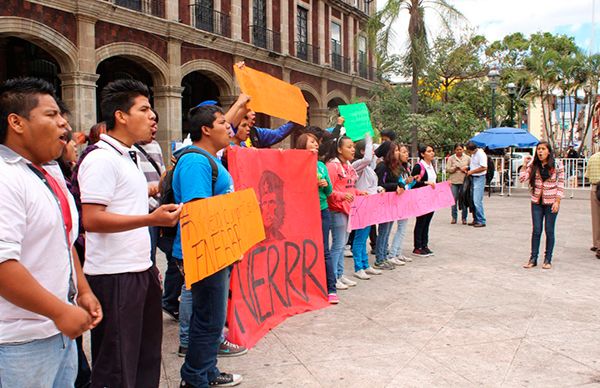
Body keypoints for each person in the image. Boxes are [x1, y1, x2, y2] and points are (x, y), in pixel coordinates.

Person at [78, 79, 182, 387]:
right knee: (117, 366)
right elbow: (92, 219)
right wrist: (151, 220)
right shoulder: (100, 158)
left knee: (145, 358)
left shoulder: (129, 156)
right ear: (121, 116)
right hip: (114, 276)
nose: (153, 116)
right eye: (144, 109)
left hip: (139, 270)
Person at [0, 77, 102, 386]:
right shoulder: (6, 178)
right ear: (16, 122)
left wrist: (82, 290)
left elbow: (64, 239)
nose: (64, 126)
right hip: (19, 345)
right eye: (51, 115)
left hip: (58, 335)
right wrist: (59, 311)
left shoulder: (45, 173)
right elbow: (3, 265)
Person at [174, 105, 243, 387]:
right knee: (208, 320)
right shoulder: (196, 162)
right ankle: (193, 378)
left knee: (213, 318)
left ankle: (208, 371)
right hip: (205, 251)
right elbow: (199, 211)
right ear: (205, 129)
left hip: (218, 249)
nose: (229, 129)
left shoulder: (210, 159)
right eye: (223, 123)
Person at [294, 132, 338, 303]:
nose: (316, 144)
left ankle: (331, 289)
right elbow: (295, 188)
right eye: (311, 142)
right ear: (302, 145)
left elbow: (329, 192)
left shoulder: (321, 165)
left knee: (324, 250)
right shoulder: (296, 164)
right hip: (304, 212)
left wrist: (325, 185)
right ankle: (303, 287)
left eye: (316, 142)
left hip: (322, 211)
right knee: (303, 249)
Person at [325, 136, 363, 290]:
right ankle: (333, 277)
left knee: (341, 245)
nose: (353, 149)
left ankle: (340, 274)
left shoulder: (348, 166)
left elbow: (350, 188)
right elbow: (328, 190)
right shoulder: (332, 167)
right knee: (338, 245)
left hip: (348, 209)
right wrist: (342, 197)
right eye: (349, 147)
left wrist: (360, 193)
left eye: (353, 146)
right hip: (337, 210)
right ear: (339, 149)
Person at [519, 142, 564, 269]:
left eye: (543, 149)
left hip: (551, 202)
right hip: (536, 202)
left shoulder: (557, 164)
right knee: (536, 230)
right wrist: (524, 165)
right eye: (538, 149)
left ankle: (548, 259)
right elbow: (522, 179)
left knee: (549, 230)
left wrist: (557, 201)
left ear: (548, 151)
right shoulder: (534, 165)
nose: (540, 152)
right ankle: (533, 258)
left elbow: (560, 183)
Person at [135, 109, 166, 265]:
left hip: (158, 208)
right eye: (151, 124)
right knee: (147, 256)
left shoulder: (155, 146)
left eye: (156, 125)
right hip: (143, 209)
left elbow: (161, 172)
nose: (154, 128)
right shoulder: (130, 149)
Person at [351, 134, 384, 280]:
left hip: (370, 205)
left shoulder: (369, 169)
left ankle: (365, 264)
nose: (374, 154)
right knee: (359, 237)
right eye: (371, 150)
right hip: (361, 204)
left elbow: (370, 186)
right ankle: (358, 267)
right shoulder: (357, 165)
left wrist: (378, 189)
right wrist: (368, 138)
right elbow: (367, 159)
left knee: (364, 236)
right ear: (363, 151)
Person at [387, 144, 415, 263]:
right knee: (398, 228)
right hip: (397, 200)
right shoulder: (396, 169)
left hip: (405, 199)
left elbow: (408, 186)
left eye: (406, 152)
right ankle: (392, 254)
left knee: (403, 228)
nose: (406, 154)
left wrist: (412, 181)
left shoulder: (406, 167)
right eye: (403, 152)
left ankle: (398, 252)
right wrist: (405, 181)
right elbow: (399, 184)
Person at [411, 144, 437, 257]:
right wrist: (425, 183)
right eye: (429, 151)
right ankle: (417, 247)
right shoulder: (419, 167)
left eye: (432, 151)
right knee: (421, 221)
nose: (432, 153)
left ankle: (424, 245)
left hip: (431, 198)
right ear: (422, 154)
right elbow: (412, 183)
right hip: (421, 198)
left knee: (427, 222)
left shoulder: (432, 166)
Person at [446, 143, 470, 225]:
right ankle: (454, 217)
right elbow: (448, 169)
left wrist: (465, 169)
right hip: (454, 181)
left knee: (464, 200)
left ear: (463, 149)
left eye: (460, 149)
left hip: (464, 181)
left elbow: (471, 168)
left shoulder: (467, 158)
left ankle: (464, 217)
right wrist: (455, 168)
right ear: (454, 150)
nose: (459, 151)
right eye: (457, 149)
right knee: (453, 200)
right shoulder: (451, 158)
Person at [466, 142, 487, 227]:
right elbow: (474, 165)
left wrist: (472, 171)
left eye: (469, 151)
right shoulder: (473, 155)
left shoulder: (481, 154)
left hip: (479, 177)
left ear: (473, 149)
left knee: (477, 200)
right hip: (473, 177)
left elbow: (484, 167)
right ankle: (476, 218)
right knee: (472, 199)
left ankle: (481, 220)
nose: (469, 153)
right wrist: (468, 168)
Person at [585, 149, 600, 259]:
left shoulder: (593, 157)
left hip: (595, 188)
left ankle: (596, 243)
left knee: (596, 218)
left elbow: (587, 175)